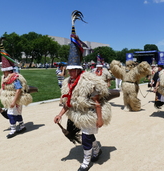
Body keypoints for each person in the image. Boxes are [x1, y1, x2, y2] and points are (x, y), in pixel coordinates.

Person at [54, 10, 111, 171]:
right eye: (69, 69)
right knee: (89, 137)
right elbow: (68, 101)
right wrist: (59, 115)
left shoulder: (88, 81)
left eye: (74, 69)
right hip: (78, 114)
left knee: (85, 139)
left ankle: (86, 162)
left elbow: (97, 102)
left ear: (79, 69)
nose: (71, 72)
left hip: (90, 114)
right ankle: (97, 149)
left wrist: (99, 119)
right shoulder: (67, 83)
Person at [0, 37, 32, 139]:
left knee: (11, 114)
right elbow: (3, 88)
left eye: (5, 71)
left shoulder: (15, 78)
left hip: (15, 99)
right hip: (8, 99)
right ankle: (22, 126)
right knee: (16, 114)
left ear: (9, 70)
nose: (4, 73)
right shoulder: (4, 78)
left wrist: (14, 101)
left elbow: (18, 89)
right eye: (3, 71)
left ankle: (13, 130)